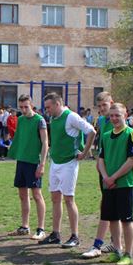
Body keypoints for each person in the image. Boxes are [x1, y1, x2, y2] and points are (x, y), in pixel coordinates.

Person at [41, 92, 96, 248]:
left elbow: (91, 131)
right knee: (55, 198)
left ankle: (75, 236)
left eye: (48, 107)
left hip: (69, 164)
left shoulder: (71, 116)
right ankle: (56, 234)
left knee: (68, 199)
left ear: (57, 104)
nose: (47, 111)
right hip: (55, 162)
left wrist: (84, 153)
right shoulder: (54, 117)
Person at [95, 103, 133, 265]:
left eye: (117, 115)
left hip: (124, 184)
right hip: (109, 184)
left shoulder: (131, 134)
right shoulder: (106, 136)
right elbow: (100, 159)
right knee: (112, 218)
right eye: (111, 116)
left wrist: (113, 177)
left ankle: (128, 253)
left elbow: (131, 161)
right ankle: (117, 249)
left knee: (126, 220)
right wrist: (106, 177)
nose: (114, 118)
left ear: (125, 115)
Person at [82, 91, 122, 258]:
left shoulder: (119, 123)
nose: (101, 109)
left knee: (108, 208)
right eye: (99, 107)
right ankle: (115, 243)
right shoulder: (103, 121)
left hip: (115, 172)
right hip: (104, 171)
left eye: (104, 105)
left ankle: (99, 245)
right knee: (109, 208)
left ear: (111, 102)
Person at [8, 94, 48, 240]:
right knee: (22, 195)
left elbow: (45, 143)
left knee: (37, 195)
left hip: (34, 162)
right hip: (22, 161)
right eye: (21, 107)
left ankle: (41, 229)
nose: (24, 110)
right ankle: (25, 227)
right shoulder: (20, 120)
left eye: (26, 106)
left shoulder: (40, 120)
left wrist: (42, 164)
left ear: (32, 105)